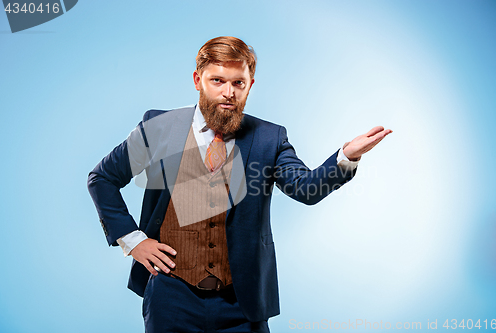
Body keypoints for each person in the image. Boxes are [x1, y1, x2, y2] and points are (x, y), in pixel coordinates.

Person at [87, 36, 392, 333]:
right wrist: (133, 240)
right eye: (217, 81)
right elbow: (102, 178)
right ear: (197, 80)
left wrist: (345, 157)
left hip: (242, 303)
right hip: (171, 296)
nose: (228, 93)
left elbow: (305, 188)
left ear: (250, 85)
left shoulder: (269, 138)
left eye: (238, 83)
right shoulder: (159, 128)